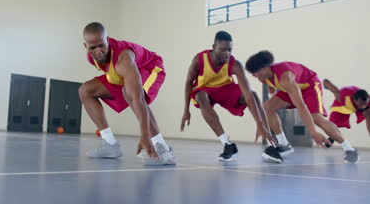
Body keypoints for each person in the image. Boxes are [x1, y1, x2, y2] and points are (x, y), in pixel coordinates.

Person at [79, 22, 175, 165]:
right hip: (121, 75)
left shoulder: (123, 59)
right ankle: (110, 144)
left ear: (108, 40)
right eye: (93, 48)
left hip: (151, 67)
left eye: (102, 45)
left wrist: (144, 135)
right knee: (85, 90)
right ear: (85, 46)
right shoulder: (92, 58)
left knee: (129, 93)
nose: (99, 51)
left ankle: (162, 149)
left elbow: (138, 99)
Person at [181, 31, 282, 163]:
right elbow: (189, 83)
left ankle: (270, 145)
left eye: (230, 50)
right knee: (200, 96)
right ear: (213, 47)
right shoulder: (199, 60)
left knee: (254, 94)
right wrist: (186, 110)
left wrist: (259, 124)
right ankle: (227, 144)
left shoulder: (235, 65)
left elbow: (247, 94)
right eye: (222, 50)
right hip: (205, 90)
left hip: (226, 89)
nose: (227, 53)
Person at [245, 50, 359, 163]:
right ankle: (284, 145)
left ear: (265, 68)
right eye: (252, 73)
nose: (254, 75)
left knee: (315, 118)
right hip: (292, 89)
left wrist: (313, 132)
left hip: (310, 86)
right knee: (267, 107)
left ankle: (349, 149)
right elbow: (271, 86)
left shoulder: (285, 78)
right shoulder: (262, 77)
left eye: (255, 72)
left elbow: (301, 106)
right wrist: (272, 92)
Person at [323, 79, 370, 144]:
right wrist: (326, 84)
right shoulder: (341, 95)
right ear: (354, 99)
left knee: (367, 114)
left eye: (365, 104)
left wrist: (363, 106)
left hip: (357, 104)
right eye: (361, 104)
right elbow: (326, 82)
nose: (363, 106)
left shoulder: (366, 101)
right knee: (333, 123)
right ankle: (333, 136)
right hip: (343, 105)